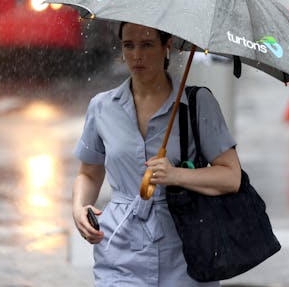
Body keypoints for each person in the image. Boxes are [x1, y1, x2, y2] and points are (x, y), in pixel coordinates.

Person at [72, 22, 242, 286]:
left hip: (185, 250)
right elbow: (89, 173)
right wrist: (79, 208)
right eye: (129, 45)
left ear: (167, 47)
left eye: (147, 44)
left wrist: (176, 175)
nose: (136, 55)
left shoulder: (197, 105)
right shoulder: (102, 107)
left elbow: (231, 177)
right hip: (119, 248)